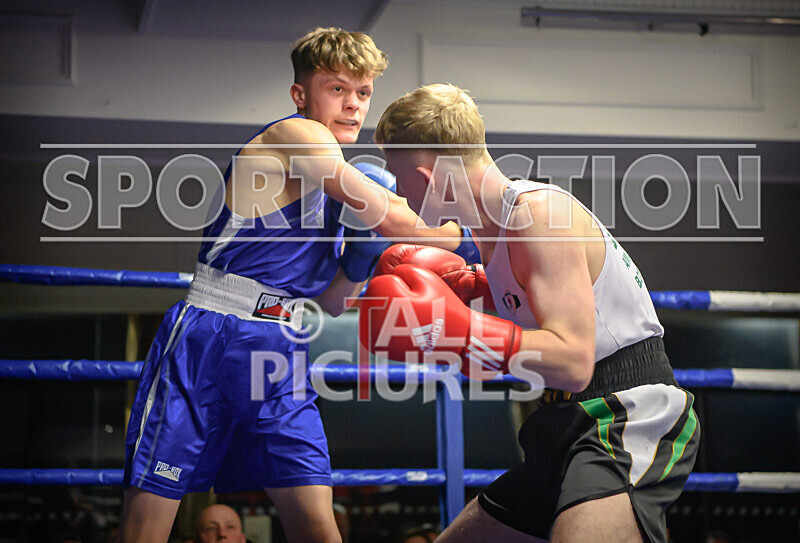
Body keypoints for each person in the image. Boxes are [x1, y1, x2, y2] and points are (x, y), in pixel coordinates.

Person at [118, 29, 468, 543]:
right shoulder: (296, 137)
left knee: (316, 521)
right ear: (301, 95)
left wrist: (362, 259)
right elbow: (392, 215)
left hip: (279, 347)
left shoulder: (336, 195)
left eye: (363, 92)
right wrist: (464, 233)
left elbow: (330, 300)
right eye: (337, 89)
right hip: (210, 337)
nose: (352, 105)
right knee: (147, 525)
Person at [362, 83, 700, 542]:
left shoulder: (538, 215)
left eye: (398, 177)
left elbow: (574, 360)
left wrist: (461, 330)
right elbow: (532, 324)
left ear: (424, 177)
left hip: (624, 413)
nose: (398, 192)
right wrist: (469, 294)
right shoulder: (492, 231)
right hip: (559, 422)